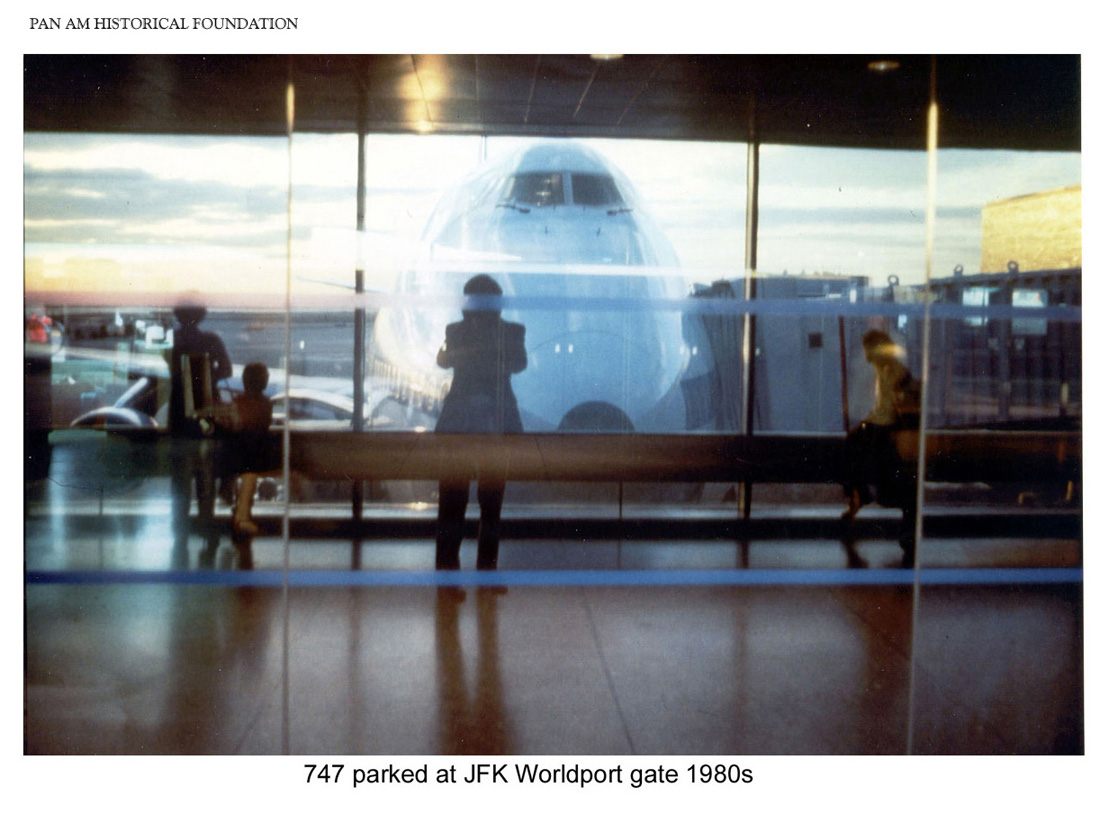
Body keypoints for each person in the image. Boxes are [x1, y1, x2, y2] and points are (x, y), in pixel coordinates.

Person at [434, 275, 527, 571]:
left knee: (453, 498)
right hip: (496, 423)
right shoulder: (511, 331)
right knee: (491, 502)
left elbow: (444, 361)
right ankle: (486, 568)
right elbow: (519, 364)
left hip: (459, 422)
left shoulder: (456, 331)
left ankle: (447, 566)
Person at [842, 329, 921, 567]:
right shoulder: (884, 370)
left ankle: (860, 492)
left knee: (854, 447)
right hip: (882, 425)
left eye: (868, 349)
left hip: (887, 428)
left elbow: (893, 409)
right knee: (853, 445)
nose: (865, 355)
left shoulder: (893, 372)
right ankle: (860, 492)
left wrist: (874, 422)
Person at [166, 302, 232, 565]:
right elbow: (226, 369)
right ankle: (207, 528)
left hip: (180, 415)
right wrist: (206, 377)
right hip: (205, 411)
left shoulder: (172, 339)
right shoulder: (211, 340)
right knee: (206, 476)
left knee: (180, 479)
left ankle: (181, 531)